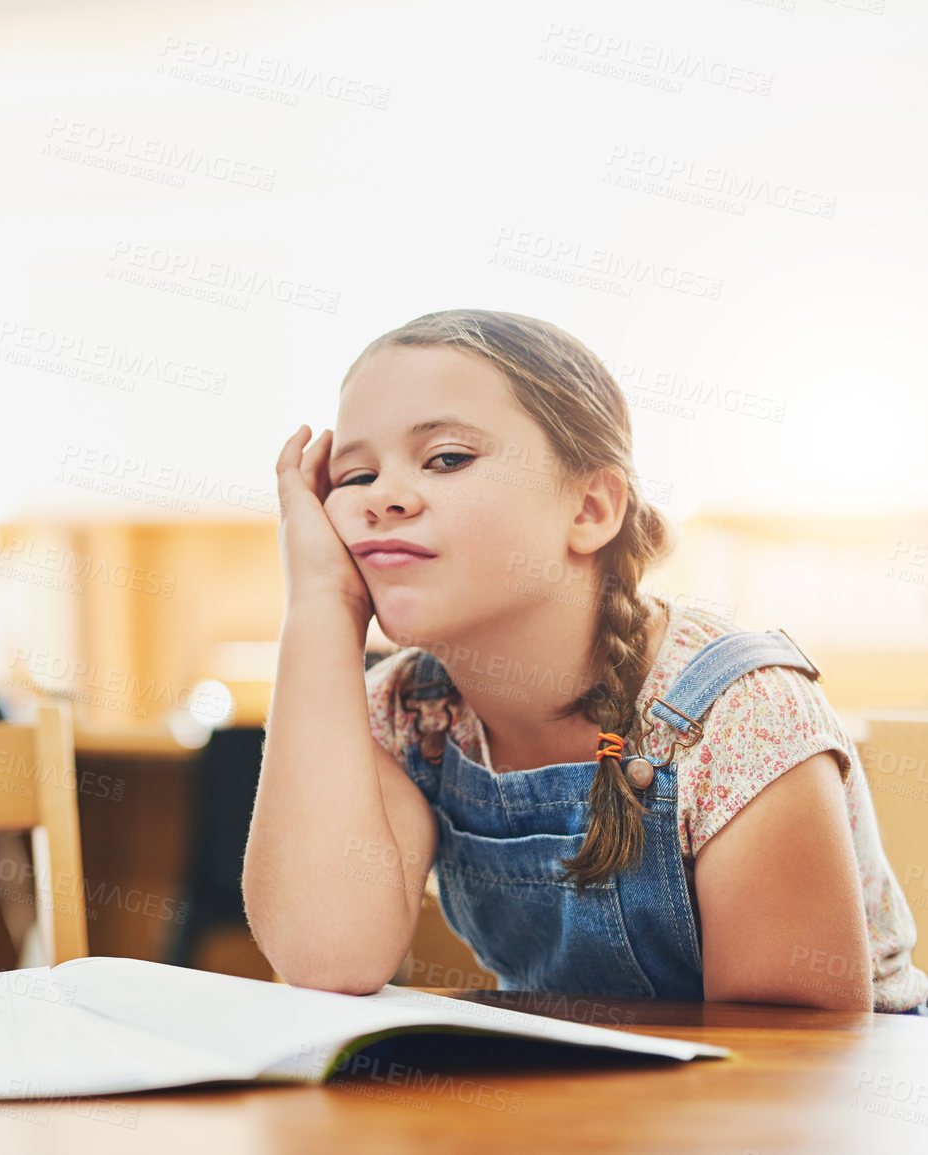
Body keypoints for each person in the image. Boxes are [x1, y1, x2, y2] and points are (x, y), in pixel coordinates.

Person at [243, 308, 928, 1012]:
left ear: (590, 508)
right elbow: (327, 956)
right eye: (354, 475)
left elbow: (790, 1056)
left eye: (446, 457)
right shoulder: (406, 714)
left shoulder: (737, 710)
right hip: (589, 1100)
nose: (380, 498)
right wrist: (320, 604)